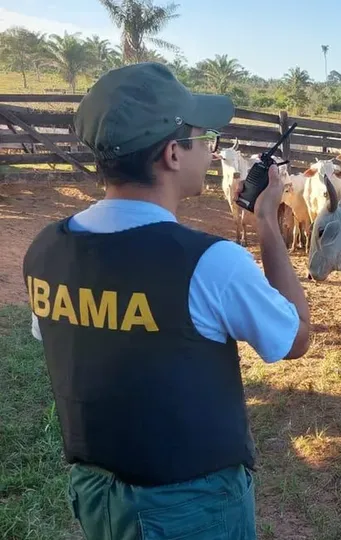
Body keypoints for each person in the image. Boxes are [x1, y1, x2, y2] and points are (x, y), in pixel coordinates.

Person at [21, 62, 311, 540]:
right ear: (174, 153)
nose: (211, 150)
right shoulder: (210, 262)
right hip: (190, 509)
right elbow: (295, 337)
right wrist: (267, 222)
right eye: (205, 138)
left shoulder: (46, 249)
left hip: (96, 495)